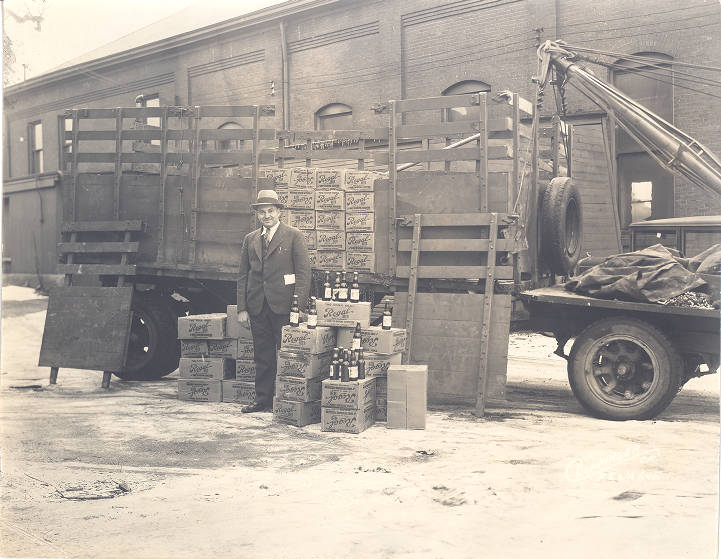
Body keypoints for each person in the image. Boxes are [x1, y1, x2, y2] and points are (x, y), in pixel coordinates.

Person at [236, 190, 311, 413]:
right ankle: (263, 400)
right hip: (258, 306)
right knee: (263, 355)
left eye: (271, 211)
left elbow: (304, 273)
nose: (267, 215)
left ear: (279, 212)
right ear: (257, 215)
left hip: (285, 307)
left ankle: (288, 401)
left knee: (289, 355)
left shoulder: (293, 235)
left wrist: (298, 307)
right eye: (262, 212)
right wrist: (242, 308)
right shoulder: (250, 239)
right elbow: (242, 275)